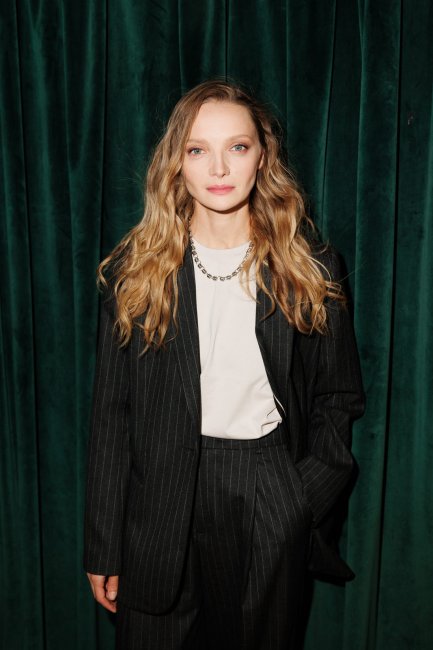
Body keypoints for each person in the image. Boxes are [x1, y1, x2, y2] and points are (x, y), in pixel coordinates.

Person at [83, 79, 365, 650]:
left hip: (267, 486)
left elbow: (338, 397)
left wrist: (297, 501)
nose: (218, 167)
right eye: (197, 149)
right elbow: (112, 413)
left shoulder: (309, 267)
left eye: (237, 147)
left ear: (263, 156)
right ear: (176, 163)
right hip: (159, 503)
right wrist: (103, 544)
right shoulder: (137, 273)